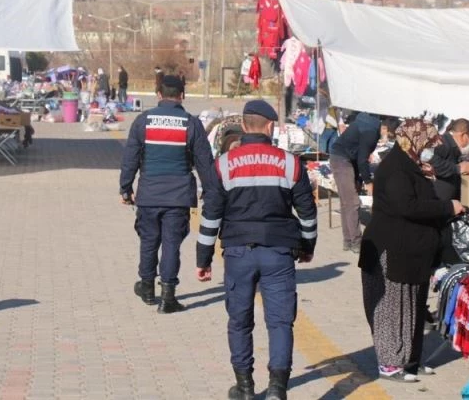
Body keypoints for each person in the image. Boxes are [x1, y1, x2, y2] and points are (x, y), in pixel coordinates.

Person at [196, 100, 317, 400]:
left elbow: (211, 215)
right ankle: (277, 389)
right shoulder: (291, 163)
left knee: (239, 320)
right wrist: (307, 246)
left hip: (238, 253)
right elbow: (308, 212)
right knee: (280, 321)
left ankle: (246, 388)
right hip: (279, 252)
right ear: (269, 126)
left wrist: (204, 258)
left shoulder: (223, 164)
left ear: (244, 125)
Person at [359, 119, 463, 383]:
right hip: (389, 249)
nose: (430, 149)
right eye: (427, 144)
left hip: (409, 250)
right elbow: (407, 206)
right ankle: (390, 362)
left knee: (412, 307)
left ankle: (410, 360)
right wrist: (447, 208)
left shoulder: (409, 164)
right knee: (390, 308)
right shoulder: (394, 168)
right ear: (413, 141)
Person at [119, 75, 216, 314]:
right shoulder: (191, 124)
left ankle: (148, 288)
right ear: (182, 95)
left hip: (149, 194)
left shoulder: (143, 121)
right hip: (179, 197)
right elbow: (205, 163)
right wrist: (212, 192)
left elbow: (130, 157)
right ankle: (168, 297)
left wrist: (125, 187)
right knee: (172, 244)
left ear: (158, 94)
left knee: (148, 241)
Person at [329, 112, 381, 253]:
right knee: (352, 202)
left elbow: (359, 155)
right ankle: (356, 242)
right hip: (340, 158)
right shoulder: (371, 131)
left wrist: (358, 179)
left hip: (346, 159)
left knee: (347, 202)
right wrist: (368, 182)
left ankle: (349, 241)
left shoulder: (370, 127)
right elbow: (362, 159)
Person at [430, 119, 469, 201]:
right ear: (463, 135)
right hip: (437, 203)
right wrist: (458, 168)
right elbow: (432, 164)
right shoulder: (442, 143)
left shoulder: (453, 148)